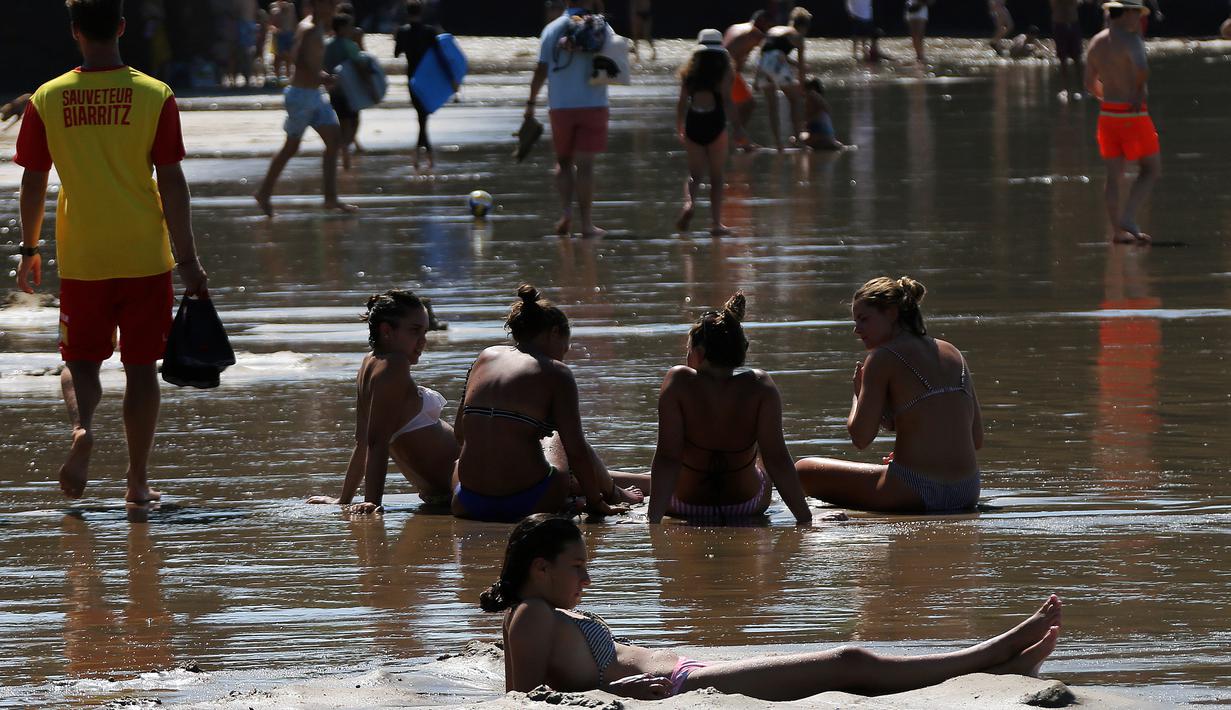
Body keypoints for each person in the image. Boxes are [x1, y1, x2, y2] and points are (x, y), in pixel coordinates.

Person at [483, 514, 1063, 700]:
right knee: (848, 660)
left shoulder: (539, 613)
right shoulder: (532, 615)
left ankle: (1000, 665)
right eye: (577, 567)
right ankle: (990, 655)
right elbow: (521, 701)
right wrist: (619, 694)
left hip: (683, 673)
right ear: (541, 568)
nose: (587, 577)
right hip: (681, 687)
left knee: (848, 662)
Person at [13, 0, 209, 505]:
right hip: (144, 254)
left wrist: (29, 247)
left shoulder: (47, 97)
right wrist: (188, 259)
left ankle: (82, 428)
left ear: (75, 31)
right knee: (140, 369)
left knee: (80, 362)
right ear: (122, 27)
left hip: (84, 257)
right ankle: (137, 482)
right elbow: (172, 181)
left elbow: (33, 180)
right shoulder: (154, 94)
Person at [451, 285, 646, 522]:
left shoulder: (484, 357)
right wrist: (597, 503)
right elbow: (576, 450)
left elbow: (460, 433)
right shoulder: (556, 372)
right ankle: (613, 493)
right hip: (530, 501)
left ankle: (586, 493)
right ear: (554, 333)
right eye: (566, 347)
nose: (564, 354)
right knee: (559, 436)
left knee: (467, 455)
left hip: (468, 502)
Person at [795, 277, 983, 513]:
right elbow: (976, 439)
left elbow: (861, 438)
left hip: (913, 491)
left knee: (802, 470)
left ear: (892, 313)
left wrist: (857, 395)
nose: (856, 329)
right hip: (968, 490)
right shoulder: (953, 352)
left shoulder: (881, 357)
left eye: (864, 319)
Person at [647, 293, 811, 525]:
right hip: (747, 505)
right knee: (766, 455)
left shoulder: (678, 382)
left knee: (672, 461)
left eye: (688, 350)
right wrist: (805, 519)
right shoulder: (760, 385)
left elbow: (667, 458)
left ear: (699, 353)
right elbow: (778, 460)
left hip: (683, 505)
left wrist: (652, 521)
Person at [307, 290, 458, 513]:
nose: (423, 342)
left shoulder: (369, 362)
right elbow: (374, 443)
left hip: (455, 489)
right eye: (415, 331)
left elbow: (364, 442)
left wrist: (345, 499)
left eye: (425, 332)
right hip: (465, 487)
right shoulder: (394, 364)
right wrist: (372, 502)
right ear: (387, 330)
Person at [253, 0, 357, 217]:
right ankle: (264, 193)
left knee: (334, 140)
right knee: (291, 147)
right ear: (316, 5)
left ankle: (330, 199)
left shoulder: (317, 28)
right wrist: (323, 77)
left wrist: (322, 77)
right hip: (301, 96)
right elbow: (298, 59)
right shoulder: (308, 29)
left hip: (315, 95)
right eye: (328, 5)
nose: (331, 9)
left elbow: (311, 61)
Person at [525, 0, 616, 237]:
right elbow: (617, 61)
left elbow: (541, 70)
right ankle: (586, 224)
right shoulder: (603, 27)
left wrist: (530, 104)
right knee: (586, 166)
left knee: (564, 163)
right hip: (594, 103)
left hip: (561, 106)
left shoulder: (553, 29)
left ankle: (566, 212)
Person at [1085, 0, 1159, 243]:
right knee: (1150, 168)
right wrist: (1137, 92)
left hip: (1108, 114)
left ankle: (1117, 232)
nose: (1139, 17)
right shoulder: (1131, 39)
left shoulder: (1096, 42)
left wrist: (1104, 97)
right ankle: (1127, 217)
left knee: (1113, 175)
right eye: (1137, 12)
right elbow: (1142, 68)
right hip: (1132, 113)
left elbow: (1089, 83)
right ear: (1126, 12)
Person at [675, 31, 745, 237]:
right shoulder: (724, 71)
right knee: (716, 177)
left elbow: (681, 102)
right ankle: (716, 224)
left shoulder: (689, 74)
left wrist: (679, 126)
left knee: (694, 175)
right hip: (715, 121)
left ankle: (689, 204)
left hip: (694, 121)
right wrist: (738, 127)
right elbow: (728, 101)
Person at [395, 0, 452, 171]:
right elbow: (441, 56)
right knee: (423, 117)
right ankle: (424, 156)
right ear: (421, 12)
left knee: (421, 117)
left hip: (411, 78)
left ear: (407, 13)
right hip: (427, 77)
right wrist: (451, 78)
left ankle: (421, 156)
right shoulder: (429, 31)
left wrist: (399, 39)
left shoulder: (402, 32)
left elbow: (396, 53)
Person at [754, 7, 811, 151]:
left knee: (772, 106)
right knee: (795, 100)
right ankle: (799, 139)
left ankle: (778, 143)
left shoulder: (775, 30)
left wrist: (755, 79)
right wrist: (802, 88)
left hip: (762, 64)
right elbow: (801, 69)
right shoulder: (798, 36)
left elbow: (766, 51)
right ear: (803, 27)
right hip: (777, 63)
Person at [722, 11, 773, 149]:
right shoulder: (755, 33)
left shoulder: (734, 27)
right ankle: (738, 139)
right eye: (769, 25)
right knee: (749, 104)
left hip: (719, 67)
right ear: (762, 21)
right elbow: (767, 54)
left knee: (738, 105)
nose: (768, 29)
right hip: (727, 71)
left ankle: (738, 138)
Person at [325, 13, 365, 171]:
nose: (352, 29)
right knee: (354, 122)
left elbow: (322, 65)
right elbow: (359, 65)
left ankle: (344, 154)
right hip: (350, 90)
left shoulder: (326, 45)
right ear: (341, 28)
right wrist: (369, 85)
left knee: (343, 122)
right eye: (349, 26)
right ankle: (345, 150)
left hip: (333, 90)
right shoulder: (350, 45)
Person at [1051, 0, 1085, 95]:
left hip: (1073, 23)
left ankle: (1082, 88)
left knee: (1077, 58)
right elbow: (1054, 4)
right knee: (1063, 59)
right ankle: (1065, 89)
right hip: (1060, 24)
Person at [801, 77, 844, 150]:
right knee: (802, 135)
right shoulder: (820, 106)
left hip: (820, 140)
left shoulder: (812, 96)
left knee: (795, 139)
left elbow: (811, 131)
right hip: (829, 140)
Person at [269, 0, 298, 83]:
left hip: (290, 34)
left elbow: (294, 21)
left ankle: (288, 78)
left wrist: (296, 34)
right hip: (279, 36)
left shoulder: (291, 7)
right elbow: (271, 24)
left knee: (289, 57)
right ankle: (277, 78)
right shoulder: (274, 8)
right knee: (278, 57)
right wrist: (275, 29)